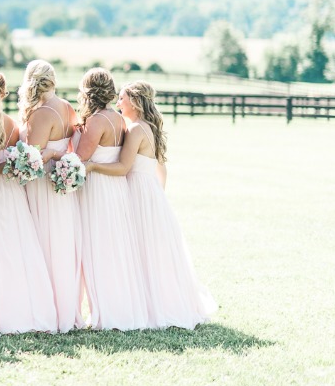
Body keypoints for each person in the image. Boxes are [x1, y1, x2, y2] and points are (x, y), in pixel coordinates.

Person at [85, 81, 216, 329]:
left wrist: (92, 166)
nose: (118, 103)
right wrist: (158, 197)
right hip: (150, 194)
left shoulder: (135, 130)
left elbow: (123, 167)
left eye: (121, 98)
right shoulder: (149, 128)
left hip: (138, 193)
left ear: (134, 102)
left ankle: (150, 306)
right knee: (152, 252)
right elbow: (161, 169)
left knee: (142, 251)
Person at [0, 70, 56, 333]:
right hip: (13, 193)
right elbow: (8, 161)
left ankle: (2, 313)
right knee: (16, 248)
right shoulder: (13, 126)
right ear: (4, 93)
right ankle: (24, 307)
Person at [75, 68, 149, 330]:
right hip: (115, 188)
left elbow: (80, 157)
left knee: (98, 248)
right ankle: (119, 306)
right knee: (114, 247)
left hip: (98, 187)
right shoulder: (117, 118)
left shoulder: (97, 120)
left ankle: (107, 312)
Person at [18, 60, 83, 332]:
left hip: (43, 183)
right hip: (62, 186)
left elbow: (31, 156)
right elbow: (74, 143)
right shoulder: (67, 107)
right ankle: (66, 310)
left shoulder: (42, 113)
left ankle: (48, 312)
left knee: (44, 246)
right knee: (61, 245)